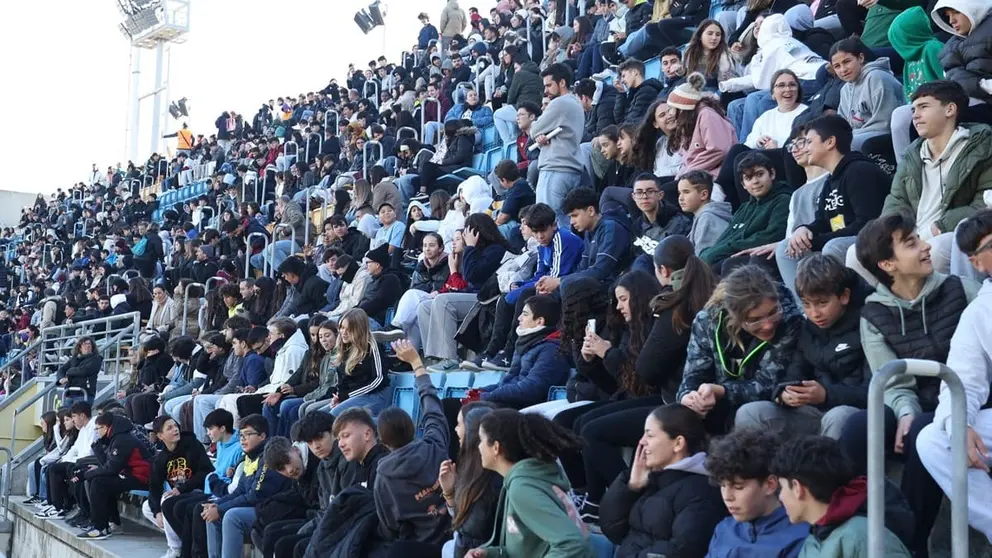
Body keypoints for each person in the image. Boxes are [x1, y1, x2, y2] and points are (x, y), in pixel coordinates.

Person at [839, 212, 980, 556]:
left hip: (963, 400)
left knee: (919, 429)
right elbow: (892, 379)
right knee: (857, 426)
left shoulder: (959, 289)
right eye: (912, 243)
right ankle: (857, 531)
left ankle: (913, 545)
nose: (926, 247)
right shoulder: (872, 314)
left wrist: (913, 418)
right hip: (915, 404)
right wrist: (904, 411)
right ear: (888, 264)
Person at [917, 209, 992, 542]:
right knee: (935, 438)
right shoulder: (980, 311)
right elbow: (961, 379)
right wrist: (959, 422)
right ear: (976, 263)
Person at [741, 255, 871, 438]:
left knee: (838, 416)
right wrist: (784, 395)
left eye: (822, 303)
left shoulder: (869, 323)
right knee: (751, 413)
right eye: (806, 305)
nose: (814, 313)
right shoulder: (807, 330)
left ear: (844, 296)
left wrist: (826, 395)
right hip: (812, 413)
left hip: (855, 416)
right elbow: (793, 375)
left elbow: (875, 391)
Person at [882, 80, 992, 276]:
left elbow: (985, 202)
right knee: (855, 254)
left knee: (938, 249)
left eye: (923, 107)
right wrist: (893, 235)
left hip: (947, 234)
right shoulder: (911, 155)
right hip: (912, 236)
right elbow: (896, 200)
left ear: (950, 109)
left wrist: (940, 226)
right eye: (914, 109)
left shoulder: (982, 146)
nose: (915, 115)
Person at [678, 265, 802, 435]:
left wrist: (722, 391)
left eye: (773, 312)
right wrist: (688, 396)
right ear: (733, 315)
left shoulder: (789, 320)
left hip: (765, 409)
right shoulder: (708, 320)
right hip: (718, 407)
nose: (767, 324)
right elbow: (694, 373)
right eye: (754, 319)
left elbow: (769, 384)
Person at [777, 115, 890, 294]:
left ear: (830, 142)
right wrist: (805, 229)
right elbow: (822, 221)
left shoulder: (859, 171)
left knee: (833, 246)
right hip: (841, 239)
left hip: (875, 240)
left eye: (808, 142)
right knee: (785, 248)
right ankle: (807, 309)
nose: (805, 148)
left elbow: (867, 224)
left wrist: (817, 241)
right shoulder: (831, 180)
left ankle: (842, 305)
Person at [599, 404, 726, 557]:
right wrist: (631, 488)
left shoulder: (703, 492)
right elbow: (612, 530)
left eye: (649, 435)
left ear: (678, 443)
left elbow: (684, 550)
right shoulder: (652, 479)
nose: (641, 442)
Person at [468, 409, 592, 558]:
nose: (479, 446)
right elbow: (528, 549)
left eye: (481, 440)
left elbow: (573, 545)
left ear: (496, 447)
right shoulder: (522, 479)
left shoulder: (523, 488)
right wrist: (491, 554)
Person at [771, 436, 912, 557]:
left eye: (782, 488)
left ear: (797, 488)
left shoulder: (864, 537)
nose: (780, 497)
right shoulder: (814, 540)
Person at [479, 203, 582, 369]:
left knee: (525, 295)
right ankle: (491, 351)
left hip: (566, 288)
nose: (540, 236)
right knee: (506, 298)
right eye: (535, 232)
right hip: (551, 284)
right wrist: (519, 284)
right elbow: (540, 273)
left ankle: (510, 352)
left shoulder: (562, 238)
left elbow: (555, 275)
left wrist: (525, 288)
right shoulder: (542, 245)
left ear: (554, 225)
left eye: (543, 231)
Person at [372, 340, 451, 551]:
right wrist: (417, 363)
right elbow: (432, 406)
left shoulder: (384, 477)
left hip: (419, 548)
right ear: (413, 426)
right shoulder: (435, 444)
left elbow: (389, 527)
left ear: (382, 442)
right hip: (453, 538)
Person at [704, 428, 810, 557]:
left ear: (770, 484)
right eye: (722, 486)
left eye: (738, 487)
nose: (727, 497)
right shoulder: (724, 529)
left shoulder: (800, 537)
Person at [699, 152, 791, 274]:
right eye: (748, 178)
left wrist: (720, 251)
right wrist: (709, 253)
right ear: (743, 184)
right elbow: (725, 237)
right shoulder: (744, 208)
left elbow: (771, 236)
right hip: (735, 255)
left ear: (772, 174)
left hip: (763, 259)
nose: (755, 181)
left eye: (759, 174)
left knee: (723, 266)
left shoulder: (783, 200)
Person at [143, 415, 214, 557]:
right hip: (178, 494)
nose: (175, 430)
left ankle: (175, 549)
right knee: (147, 507)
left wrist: (183, 488)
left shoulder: (192, 445)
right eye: (169, 428)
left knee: (166, 501)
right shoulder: (161, 458)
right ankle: (183, 538)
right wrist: (157, 512)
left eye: (175, 426)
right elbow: (155, 486)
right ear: (160, 435)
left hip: (196, 491)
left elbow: (206, 471)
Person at [438, 402, 502, 558]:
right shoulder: (470, 470)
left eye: (459, 424)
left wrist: (451, 495)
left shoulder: (491, 481)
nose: (455, 429)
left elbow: (466, 533)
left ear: (472, 434)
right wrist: (449, 492)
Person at [76, 413, 153, 540]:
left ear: (106, 428)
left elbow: (112, 469)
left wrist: (87, 474)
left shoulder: (122, 439)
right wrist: (98, 449)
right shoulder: (116, 438)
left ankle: (100, 527)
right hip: (130, 474)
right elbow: (108, 464)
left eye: (98, 429)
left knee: (99, 483)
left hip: (141, 477)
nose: (96, 432)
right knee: (99, 481)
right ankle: (113, 523)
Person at [531, 64, 586, 229]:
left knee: (548, 223)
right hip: (570, 169)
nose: (546, 90)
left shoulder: (559, 103)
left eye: (549, 85)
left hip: (555, 169)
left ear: (562, 83)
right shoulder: (576, 103)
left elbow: (534, 129)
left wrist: (538, 130)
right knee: (562, 222)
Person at [831, 38, 906, 148]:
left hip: (887, 136)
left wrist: (849, 136)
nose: (843, 69)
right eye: (837, 66)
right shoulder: (845, 89)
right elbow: (843, 125)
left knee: (843, 145)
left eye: (847, 62)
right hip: (861, 135)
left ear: (860, 58)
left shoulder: (877, 77)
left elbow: (885, 124)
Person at [560, 187, 632, 291]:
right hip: (599, 283)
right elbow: (582, 269)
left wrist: (561, 281)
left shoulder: (610, 227)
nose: (572, 222)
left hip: (615, 285)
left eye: (575, 215)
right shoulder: (588, 231)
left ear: (591, 211)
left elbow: (601, 271)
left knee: (568, 288)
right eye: (570, 217)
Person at [327, 308, 392, 416]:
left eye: (349, 329)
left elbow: (379, 379)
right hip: (355, 396)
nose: (343, 332)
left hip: (376, 395)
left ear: (359, 329)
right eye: (342, 328)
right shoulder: (346, 347)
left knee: (333, 415)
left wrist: (347, 395)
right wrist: (339, 397)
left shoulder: (371, 346)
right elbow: (343, 381)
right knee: (320, 414)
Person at [931, 0, 992, 105]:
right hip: (964, 98)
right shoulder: (949, 46)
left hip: (983, 102)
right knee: (904, 113)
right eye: (948, 15)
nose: (951, 20)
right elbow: (952, 78)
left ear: (974, 7)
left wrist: (983, 86)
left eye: (956, 12)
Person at [678, 171, 732, 255]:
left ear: (703, 195)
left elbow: (703, 258)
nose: (680, 198)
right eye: (679, 193)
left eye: (686, 192)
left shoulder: (707, 219)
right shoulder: (704, 216)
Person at [613, 59, 664, 126]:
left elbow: (631, 122)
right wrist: (621, 93)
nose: (622, 81)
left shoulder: (647, 91)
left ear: (635, 72)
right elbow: (619, 119)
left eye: (623, 76)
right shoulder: (633, 94)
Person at [56, 337, 102, 405]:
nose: (88, 346)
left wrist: (69, 371)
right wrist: (61, 379)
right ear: (80, 347)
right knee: (66, 415)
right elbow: (61, 370)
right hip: (69, 394)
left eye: (90, 344)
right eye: (85, 344)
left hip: (85, 394)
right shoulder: (75, 358)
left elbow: (84, 371)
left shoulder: (96, 358)